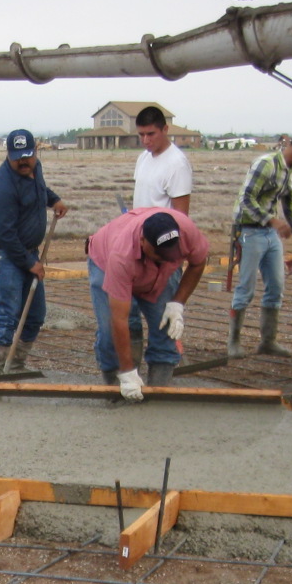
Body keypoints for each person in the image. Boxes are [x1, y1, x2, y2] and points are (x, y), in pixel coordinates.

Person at [97, 105, 194, 382]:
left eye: (151, 134)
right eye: (141, 135)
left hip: (162, 254)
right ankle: (129, 381)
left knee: (161, 323)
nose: (146, 140)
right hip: (136, 250)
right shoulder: (143, 158)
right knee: (126, 319)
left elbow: (181, 217)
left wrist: (170, 260)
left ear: (165, 129)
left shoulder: (177, 164)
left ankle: (158, 390)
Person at [86, 208, 209, 402]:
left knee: (165, 326)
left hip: (159, 275)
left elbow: (198, 263)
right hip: (105, 261)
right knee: (110, 333)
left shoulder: (187, 232)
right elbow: (119, 319)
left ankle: (158, 392)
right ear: (143, 242)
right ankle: (116, 390)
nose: (164, 258)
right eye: (159, 255)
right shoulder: (121, 256)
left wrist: (177, 303)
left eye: (170, 255)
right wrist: (127, 372)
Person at [0, 128, 69, 374]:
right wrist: (30, 263)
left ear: (35, 152)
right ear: (9, 154)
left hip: (27, 251)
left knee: (35, 314)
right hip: (3, 254)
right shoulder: (2, 187)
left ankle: (16, 365)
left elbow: (39, 190)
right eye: (18, 156)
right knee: (8, 312)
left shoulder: (34, 169)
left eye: (28, 155)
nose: (23, 161)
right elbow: (4, 235)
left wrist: (54, 200)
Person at [227, 130, 292, 358]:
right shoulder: (265, 164)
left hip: (270, 233)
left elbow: (291, 210)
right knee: (246, 288)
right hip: (249, 230)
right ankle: (233, 342)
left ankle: (268, 342)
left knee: (276, 286)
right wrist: (273, 220)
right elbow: (245, 199)